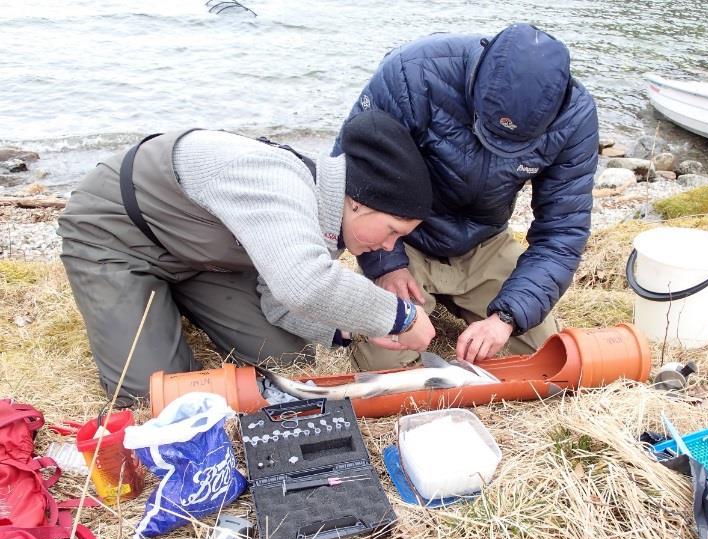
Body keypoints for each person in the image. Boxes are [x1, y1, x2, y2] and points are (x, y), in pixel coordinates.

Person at [57, 110, 436, 400]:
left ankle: (173, 299)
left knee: (287, 362)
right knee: (157, 393)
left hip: (203, 260)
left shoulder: (329, 218)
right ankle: (146, 301)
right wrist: (399, 317)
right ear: (358, 204)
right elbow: (304, 285)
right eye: (392, 232)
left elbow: (280, 302)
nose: (390, 248)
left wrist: (353, 327)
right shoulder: (277, 181)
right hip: (119, 236)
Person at [334, 23, 599, 370]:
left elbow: (562, 232)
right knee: (383, 361)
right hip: (407, 240)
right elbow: (353, 174)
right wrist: (386, 266)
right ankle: (408, 292)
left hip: (484, 243)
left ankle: (461, 301)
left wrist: (505, 317)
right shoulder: (412, 72)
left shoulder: (576, 117)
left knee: (539, 356)